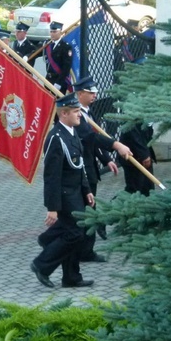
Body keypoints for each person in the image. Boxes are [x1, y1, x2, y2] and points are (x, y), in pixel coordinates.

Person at [30, 93, 94, 288]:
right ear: (64, 114)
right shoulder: (56, 138)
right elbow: (51, 176)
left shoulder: (72, 133)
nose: (79, 115)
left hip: (76, 194)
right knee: (74, 234)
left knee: (75, 233)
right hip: (65, 196)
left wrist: (87, 190)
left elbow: (79, 166)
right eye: (76, 112)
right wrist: (52, 207)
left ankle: (71, 277)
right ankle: (42, 265)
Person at [73, 75, 132, 259]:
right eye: (91, 93)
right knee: (87, 209)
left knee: (89, 207)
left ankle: (86, 250)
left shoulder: (88, 113)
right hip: (81, 170)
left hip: (91, 167)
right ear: (80, 93)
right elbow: (90, 138)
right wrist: (116, 145)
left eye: (95, 93)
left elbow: (95, 138)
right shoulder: (77, 115)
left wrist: (106, 159)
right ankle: (82, 250)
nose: (95, 96)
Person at [119, 121, 156, 196]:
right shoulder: (131, 115)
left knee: (147, 188)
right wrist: (144, 154)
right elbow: (133, 133)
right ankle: (113, 206)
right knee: (134, 190)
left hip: (144, 152)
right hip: (133, 155)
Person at [43, 21, 73, 93]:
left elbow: (66, 68)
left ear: (60, 32)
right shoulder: (48, 44)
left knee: (57, 103)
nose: (52, 34)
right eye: (51, 32)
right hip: (48, 78)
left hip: (59, 80)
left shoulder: (65, 46)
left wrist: (59, 83)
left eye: (55, 32)